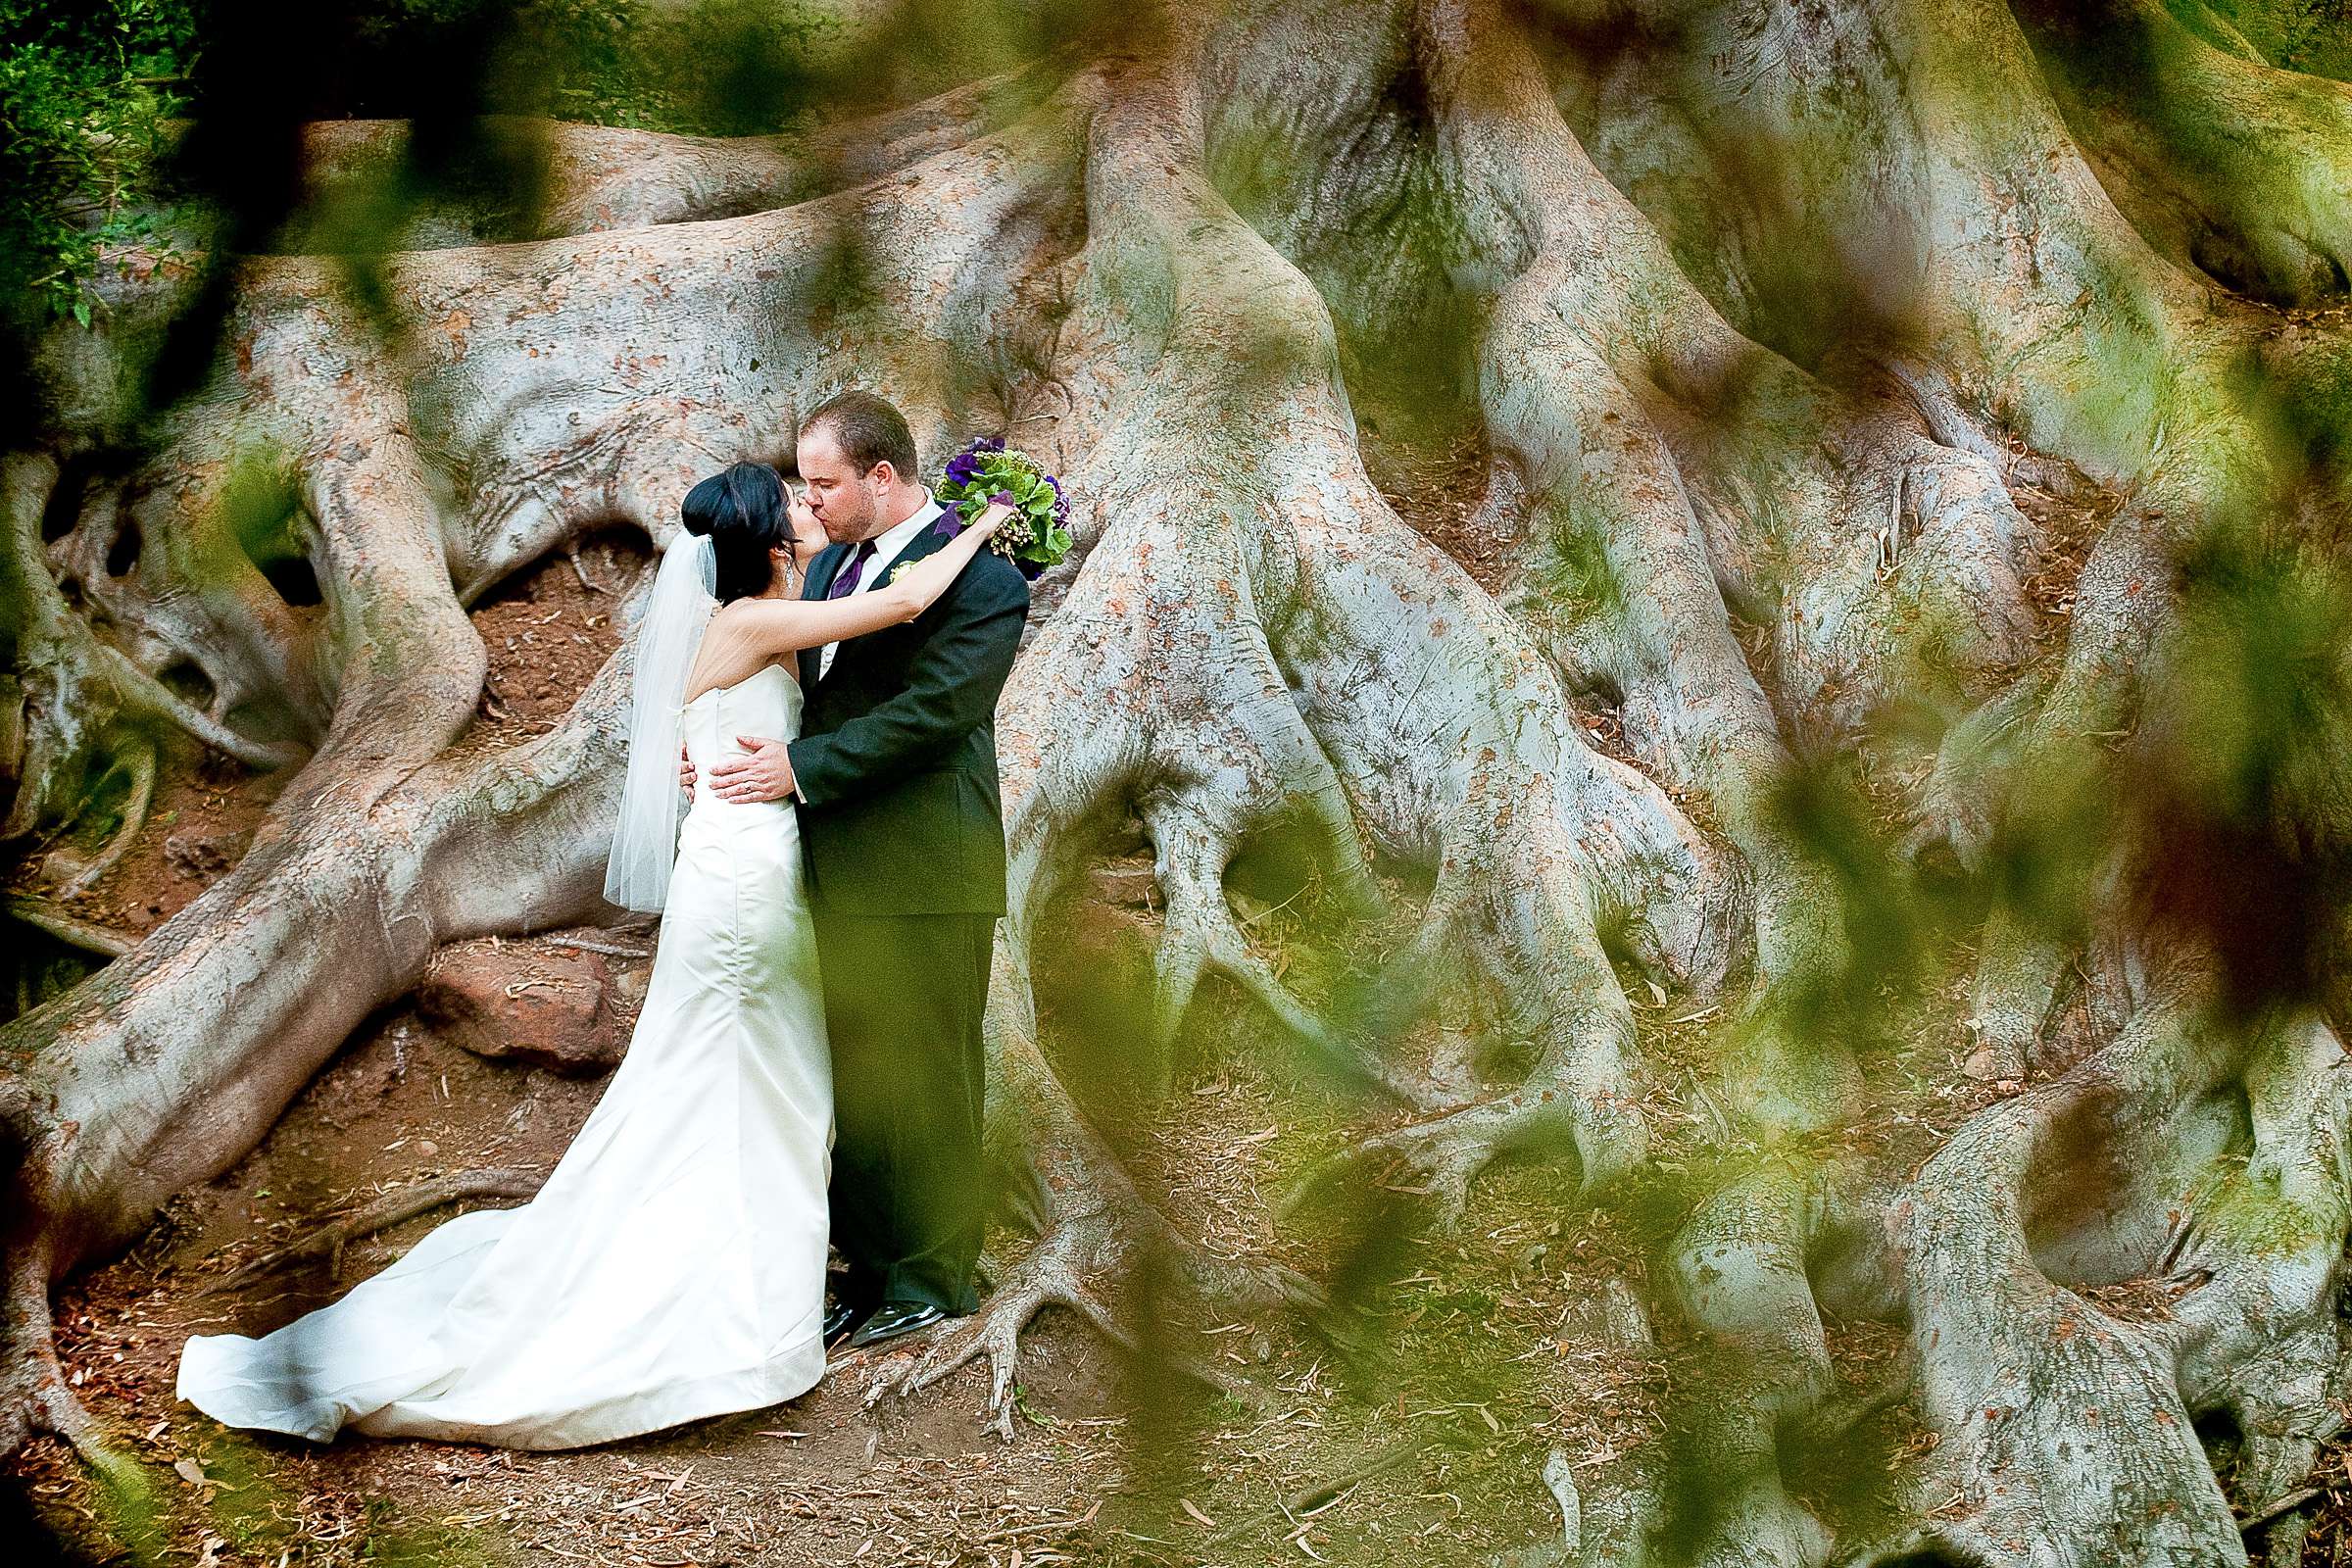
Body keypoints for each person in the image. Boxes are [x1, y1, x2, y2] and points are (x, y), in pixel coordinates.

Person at [174, 462, 1010, 1447]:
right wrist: (988, 515)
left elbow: (739, 717)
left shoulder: (767, 612)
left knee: (759, 1084)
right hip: (746, 888)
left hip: (757, 869)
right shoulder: (749, 621)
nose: (810, 505)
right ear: (773, 544)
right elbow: (911, 596)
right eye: (795, 501)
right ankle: (715, 1314)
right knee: (747, 1080)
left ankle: (754, 1290)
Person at [689, 391, 1030, 1349]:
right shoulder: (832, 565)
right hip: (833, 868)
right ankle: (870, 1273)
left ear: (883, 476)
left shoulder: (988, 585)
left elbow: (936, 715)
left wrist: (795, 770)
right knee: (860, 1081)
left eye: (826, 483)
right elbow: (795, 691)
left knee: (930, 1076)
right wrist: (717, 747)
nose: (814, 501)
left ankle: (936, 1278)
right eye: (806, 485)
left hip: (925, 867)